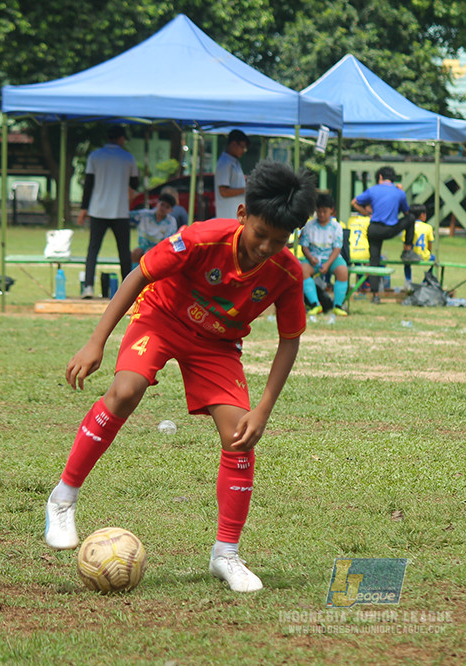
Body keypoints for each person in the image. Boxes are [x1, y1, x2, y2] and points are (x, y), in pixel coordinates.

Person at [43, 160, 317, 594]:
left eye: (278, 241)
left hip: (217, 346)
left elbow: (290, 341)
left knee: (240, 435)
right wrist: (97, 341)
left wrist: (263, 408)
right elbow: (139, 275)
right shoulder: (200, 238)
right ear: (242, 215)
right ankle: (62, 499)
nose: (266, 247)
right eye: (260, 234)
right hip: (161, 318)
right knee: (126, 390)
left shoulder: (286, 273)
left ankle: (225, 554)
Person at [78, 125, 140, 299]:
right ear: (121, 139)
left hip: (98, 209)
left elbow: (88, 184)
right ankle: (127, 289)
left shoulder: (95, 156)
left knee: (93, 249)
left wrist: (84, 209)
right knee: (123, 252)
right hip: (120, 210)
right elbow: (135, 183)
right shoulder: (127, 158)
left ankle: (88, 287)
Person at [351, 166, 420, 304]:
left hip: (374, 229)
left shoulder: (373, 189)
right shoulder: (399, 193)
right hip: (390, 229)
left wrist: (367, 213)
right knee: (411, 218)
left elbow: (354, 202)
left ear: (380, 177)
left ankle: (375, 295)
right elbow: (406, 213)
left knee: (374, 261)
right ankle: (407, 250)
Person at [300, 193, 349, 316]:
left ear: (331, 211)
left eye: (325, 211)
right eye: (319, 211)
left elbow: (337, 248)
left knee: (342, 271)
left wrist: (327, 264)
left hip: (332, 258)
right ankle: (315, 304)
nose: (321, 214)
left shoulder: (336, 226)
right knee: (303, 270)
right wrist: (310, 258)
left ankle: (338, 305)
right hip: (314, 258)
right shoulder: (309, 226)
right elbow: (304, 246)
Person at [130, 191, 178, 265]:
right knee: (136, 253)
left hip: (160, 250)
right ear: (157, 204)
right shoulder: (144, 215)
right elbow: (128, 216)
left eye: (167, 207)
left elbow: (168, 241)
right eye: (162, 205)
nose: (163, 208)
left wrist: (155, 250)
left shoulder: (171, 222)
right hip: (143, 248)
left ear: (170, 210)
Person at [215, 129, 249, 219]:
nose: (243, 151)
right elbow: (223, 192)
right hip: (228, 215)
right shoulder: (224, 163)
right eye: (243, 147)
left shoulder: (234, 162)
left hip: (236, 214)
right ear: (234, 144)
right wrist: (246, 189)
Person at [401, 204, 435, 292]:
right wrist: (428, 253)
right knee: (434, 259)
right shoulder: (428, 227)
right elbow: (430, 244)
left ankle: (408, 280)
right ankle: (425, 281)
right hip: (424, 255)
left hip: (411, 256)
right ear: (422, 215)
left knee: (406, 262)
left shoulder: (408, 227)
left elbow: (405, 244)